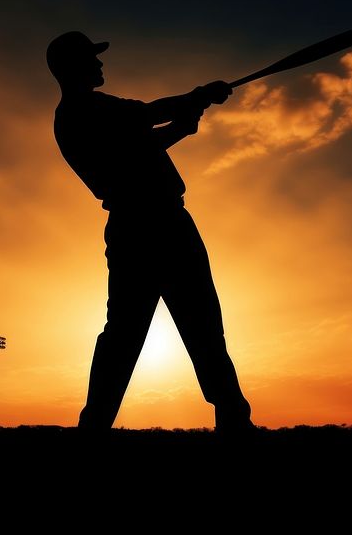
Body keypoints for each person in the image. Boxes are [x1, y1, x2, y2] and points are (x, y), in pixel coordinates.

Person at [48, 31, 254, 432]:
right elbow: (147, 115)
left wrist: (184, 125)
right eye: (92, 58)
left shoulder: (84, 113)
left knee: (156, 332)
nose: (101, 64)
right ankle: (233, 422)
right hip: (156, 226)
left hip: (136, 229)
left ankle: (96, 428)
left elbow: (143, 143)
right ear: (73, 66)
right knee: (193, 328)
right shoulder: (82, 109)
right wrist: (199, 95)